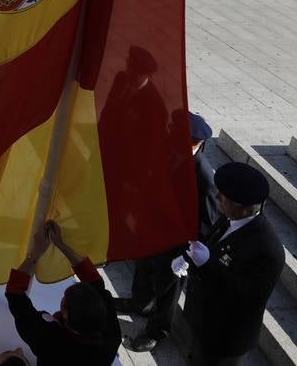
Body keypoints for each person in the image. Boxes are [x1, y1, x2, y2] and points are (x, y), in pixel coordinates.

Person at [120, 113, 218, 352]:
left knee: (168, 286)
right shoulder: (169, 154)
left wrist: (187, 255)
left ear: (194, 143)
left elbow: (207, 220)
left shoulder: (203, 174)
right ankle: (140, 303)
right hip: (153, 227)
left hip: (177, 242)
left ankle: (157, 330)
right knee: (143, 266)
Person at [179, 162, 285, 365]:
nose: (217, 198)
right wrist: (188, 258)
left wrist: (206, 265)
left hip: (225, 337)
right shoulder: (230, 218)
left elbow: (243, 297)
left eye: (223, 197)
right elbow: (213, 244)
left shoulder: (267, 250)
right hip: (204, 321)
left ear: (244, 208)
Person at [4, 220, 120, 366]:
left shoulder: (47, 338)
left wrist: (35, 254)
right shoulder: (111, 335)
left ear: (64, 313)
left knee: (7, 359)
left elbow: (14, 294)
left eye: (64, 298)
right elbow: (95, 282)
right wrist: (60, 244)